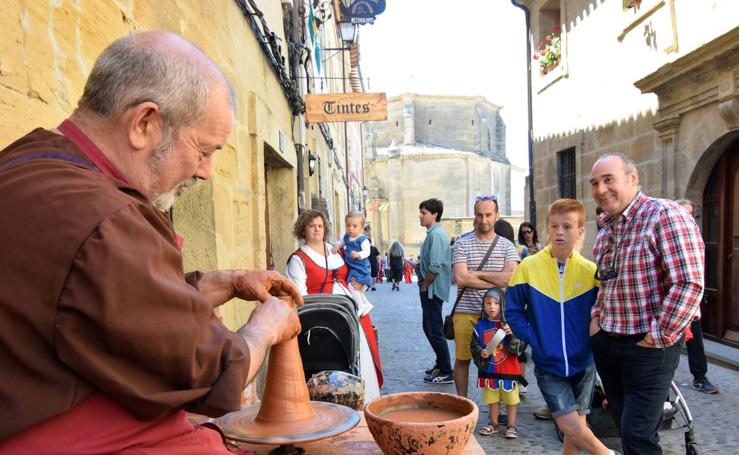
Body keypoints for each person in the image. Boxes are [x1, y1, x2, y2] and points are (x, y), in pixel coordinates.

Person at [0, 31, 304, 453]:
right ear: (144, 123)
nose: (207, 172)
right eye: (203, 150)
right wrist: (264, 329)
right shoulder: (106, 219)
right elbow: (207, 373)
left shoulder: (24, 162)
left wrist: (226, 282)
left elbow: (103, 305)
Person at [589, 153, 704, 455]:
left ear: (633, 178)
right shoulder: (607, 230)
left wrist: (659, 335)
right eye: (595, 183)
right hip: (609, 342)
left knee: (638, 435)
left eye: (608, 179)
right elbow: (605, 283)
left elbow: (689, 283)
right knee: (624, 426)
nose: (601, 189)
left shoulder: (664, 215)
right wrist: (596, 320)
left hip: (648, 346)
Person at [506, 199, 616, 455]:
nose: (559, 232)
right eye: (554, 226)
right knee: (568, 423)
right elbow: (512, 310)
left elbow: (603, 309)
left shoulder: (591, 271)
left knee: (577, 426)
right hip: (548, 363)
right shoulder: (528, 267)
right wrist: (534, 337)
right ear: (546, 229)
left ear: (579, 232)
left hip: (584, 363)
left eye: (567, 226)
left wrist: (594, 337)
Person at [285, 209, 382, 399]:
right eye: (311, 226)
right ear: (302, 229)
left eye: (320, 226)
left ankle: (366, 399)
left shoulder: (337, 250)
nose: (316, 230)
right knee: (334, 364)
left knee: (361, 357)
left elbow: (359, 268)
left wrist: (362, 283)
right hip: (324, 318)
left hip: (353, 310)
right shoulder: (298, 259)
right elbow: (300, 297)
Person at [451, 195, 520, 397]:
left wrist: (478, 273)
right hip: (466, 311)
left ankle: (495, 415)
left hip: (495, 315)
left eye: (488, 215)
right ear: (474, 216)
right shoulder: (462, 244)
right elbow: (461, 278)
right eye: (480, 215)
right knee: (463, 359)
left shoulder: (507, 245)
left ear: (496, 216)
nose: (484, 220)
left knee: (499, 361)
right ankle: (462, 404)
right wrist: (495, 279)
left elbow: (510, 279)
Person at [675, 199, 718, 394]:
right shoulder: (668, 235)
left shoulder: (695, 238)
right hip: (670, 299)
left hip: (690, 299)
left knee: (695, 340)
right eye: (684, 212)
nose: (687, 217)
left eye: (690, 213)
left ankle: (700, 377)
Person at [471, 288, 525, 439]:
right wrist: (481, 352)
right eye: (488, 303)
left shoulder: (511, 325)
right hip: (490, 371)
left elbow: (520, 348)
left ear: (503, 305)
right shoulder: (479, 326)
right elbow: (474, 345)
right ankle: (493, 423)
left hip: (508, 370)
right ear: (483, 306)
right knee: (492, 399)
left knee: (511, 399)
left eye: (496, 303)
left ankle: (512, 425)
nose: (492, 306)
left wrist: (512, 334)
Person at [416, 198, 453, 384]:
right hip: (429, 288)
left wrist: (424, 284)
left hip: (432, 289)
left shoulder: (437, 235)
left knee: (435, 329)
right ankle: (441, 363)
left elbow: (436, 265)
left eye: (424, 213)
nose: (420, 216)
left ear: (434, 214)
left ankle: (446, 370)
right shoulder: (433, 234)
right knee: (428, 327)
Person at [493, 218, 528, 394]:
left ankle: (506, 380)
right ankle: (520, 381)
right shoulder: (522, 250)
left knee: (504, 343)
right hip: (520, 300)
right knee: (519, 342)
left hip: (502, 300)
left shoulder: (499, 250)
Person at [333, 211, 373, 293]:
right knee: (353, 287)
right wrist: (337, 245)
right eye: (348, 225)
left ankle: (362, 303)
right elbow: (342, 242)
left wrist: (358, 254)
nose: (351, 228)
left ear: (361, 228)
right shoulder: (347, 236)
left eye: (354, 226)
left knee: (354, 286)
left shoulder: (362, 239)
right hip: (351, 265)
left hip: (360, 266)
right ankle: (363, 303)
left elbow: (367, 252)